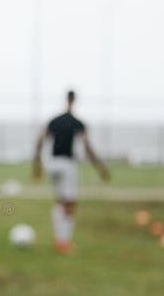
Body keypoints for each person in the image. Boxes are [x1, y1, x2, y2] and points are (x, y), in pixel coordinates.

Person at [32, 90, 109, 253]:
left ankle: (60, 239)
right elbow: (88, 148)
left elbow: (40, 140)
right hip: (67, 165)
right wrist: (100, 167)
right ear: (75, 100)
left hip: (52, 164)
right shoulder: (78, 123)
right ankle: (63, 242)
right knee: (70, 204)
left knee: (61, 202)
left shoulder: (53, 121)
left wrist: (37, 163)